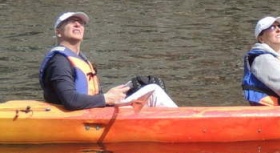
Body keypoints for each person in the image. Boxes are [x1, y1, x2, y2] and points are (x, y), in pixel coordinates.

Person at [39, 12, 177, 111]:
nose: (77, 24)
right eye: (71, 21)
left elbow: (88, 94)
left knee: (144, 85)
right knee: (153, 90)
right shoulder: (59, 62)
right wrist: (106, 98)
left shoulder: (80, 58)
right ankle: (185, 124)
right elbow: (71, 101)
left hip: (91, 109)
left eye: (80, 23)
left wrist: (118, 93)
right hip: (78, 115)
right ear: (58, 32)